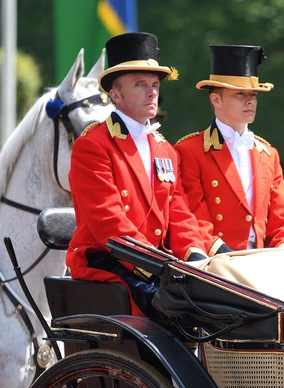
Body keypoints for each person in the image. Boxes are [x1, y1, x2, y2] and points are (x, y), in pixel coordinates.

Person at [67, 32, 220, 317]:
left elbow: (178, 210)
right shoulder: (93, 145)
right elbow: (109, 223)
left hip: (156, 262)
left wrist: (195, 255)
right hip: (109, 259)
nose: (152, 92)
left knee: (217, 302)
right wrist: (159, 266)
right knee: (178, 310)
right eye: (140, 84)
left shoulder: (164, 149)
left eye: (154, 84)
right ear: (115, 94)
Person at [175, 45, 284, 251]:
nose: (250, 100)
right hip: (214, 262)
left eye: (254, 94)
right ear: (216, 99)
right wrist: (220, 252)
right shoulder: (189, 150)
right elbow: (193, 215)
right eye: (240, 94)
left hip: (261, 262)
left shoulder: (268, 154)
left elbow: (282, 221)